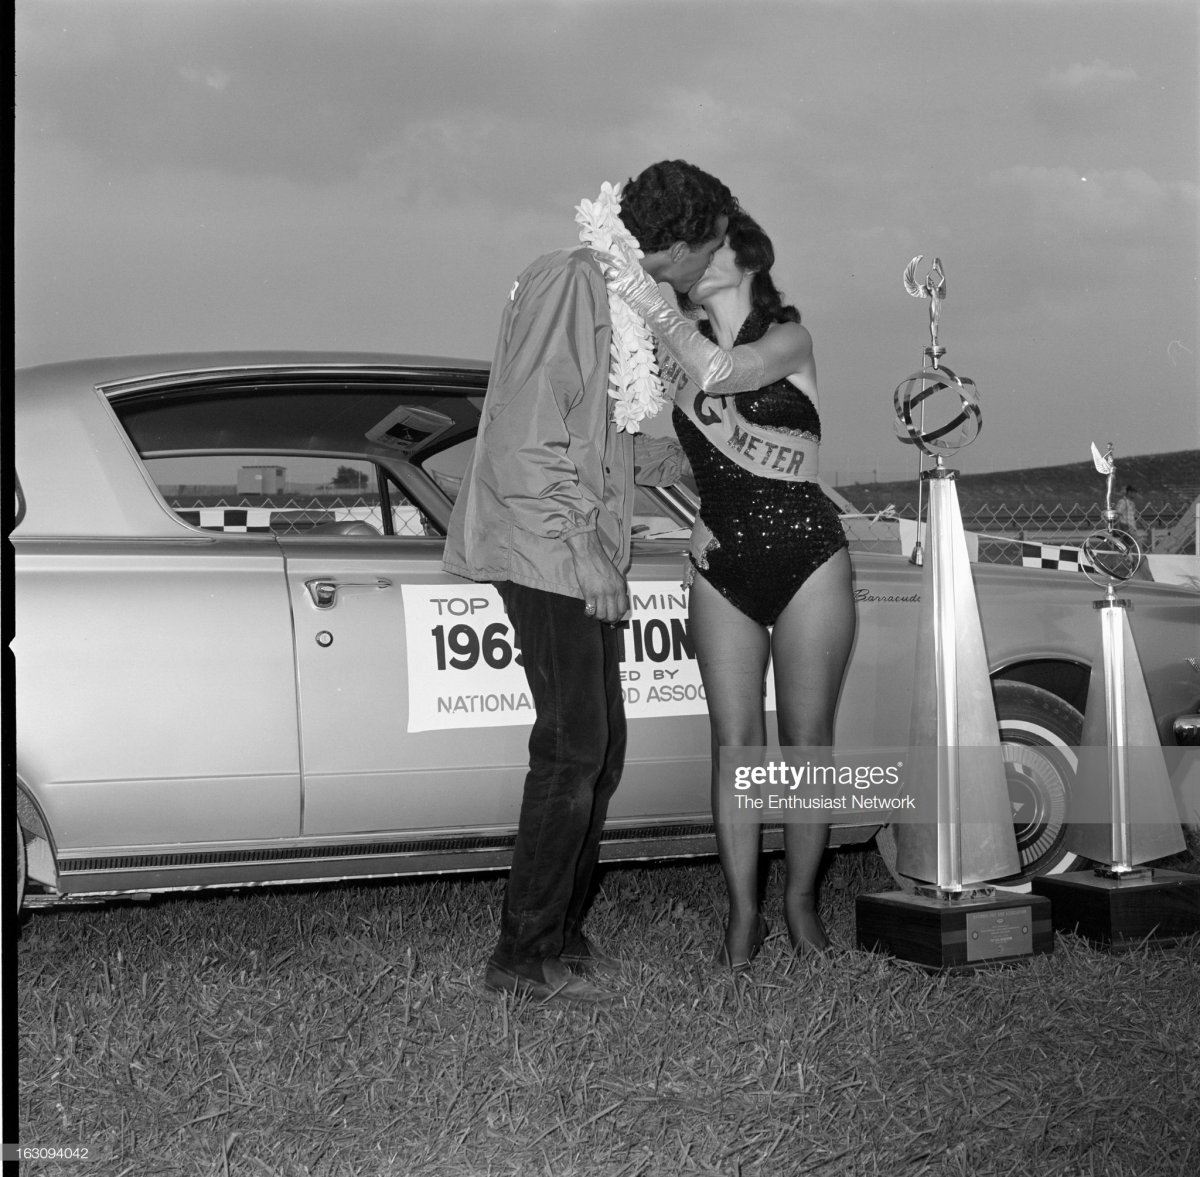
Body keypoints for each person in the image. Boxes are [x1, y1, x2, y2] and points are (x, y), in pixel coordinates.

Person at [443, 160, 737, 1003]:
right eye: (707, 251)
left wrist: (699, 453)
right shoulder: (571, 286)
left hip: (565, 544)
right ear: (672, 245)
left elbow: (597, 445)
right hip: (545, 549)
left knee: (595, 752)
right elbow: (528, 435)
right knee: (574, 749)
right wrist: (583, 552)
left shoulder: (611, 292)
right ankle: (521, 954)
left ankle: (561, 935)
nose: (708, 268)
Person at [605, 211, 856, 965]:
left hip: (809, 554)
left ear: (743, 258)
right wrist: (685, 513)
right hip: (723, 565)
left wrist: (655, 309)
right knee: (736, 747)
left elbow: (728, 376)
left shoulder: (790, 338)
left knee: (808, 743)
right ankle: (743, 915)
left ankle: (803, 906)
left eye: (707, 246)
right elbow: (661, 449)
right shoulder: (673, 345)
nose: (693, 257)